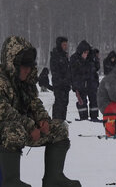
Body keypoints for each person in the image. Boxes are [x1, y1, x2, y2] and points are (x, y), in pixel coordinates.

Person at [0, 36, 81, 187]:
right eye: (23, 66)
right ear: (13, 64)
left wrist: (43, 119)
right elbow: (3, 111)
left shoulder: (25, 82)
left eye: (29, 66)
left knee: (59, 128)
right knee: (13, 130)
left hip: (22, 129)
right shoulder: (1, 80)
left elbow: (34, 102)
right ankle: (10, 182)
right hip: (7, 132)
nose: (27, 70)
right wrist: (29, 125)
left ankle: (54, 179)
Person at [70, 40, 100, 122]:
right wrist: (75, 87)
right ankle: (83, 118)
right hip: (80, 84)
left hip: (92, 83)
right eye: (84, 52)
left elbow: (97, 67)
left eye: (87, 52)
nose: (86, 54)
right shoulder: (74, 59)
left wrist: (95, 58)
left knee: (94, 100)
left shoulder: (91, 58)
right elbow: (72, 73)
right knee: (82, 102)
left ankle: (94, 116)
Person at [50, 36, 72, 121]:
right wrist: (62, 81)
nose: (66, 46)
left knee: (64, 104)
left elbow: (68, 70)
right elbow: (55, 71)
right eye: (64, 45)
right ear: (59, 45)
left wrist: (68, 81)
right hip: (59, 85)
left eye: (66, 45)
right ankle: (56, 122)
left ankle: (62, 120)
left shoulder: (64, 56)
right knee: (59, 104)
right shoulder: (55, 56)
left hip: (66, 85)